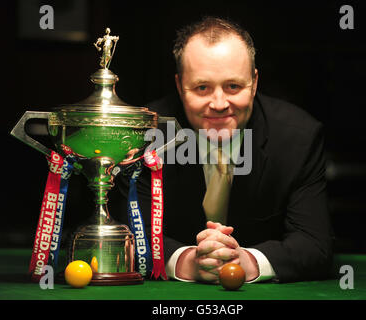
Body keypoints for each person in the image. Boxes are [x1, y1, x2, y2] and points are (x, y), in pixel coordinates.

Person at [115, 16, 334, 284]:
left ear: (253, 83)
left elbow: (315, 244)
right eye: (202, 87)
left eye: (233, 86)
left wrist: (247, 262)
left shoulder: (298, 137)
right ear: (179, 86)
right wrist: (186, 261)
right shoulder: (143, 136)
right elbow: (121, 235)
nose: (219, 103)